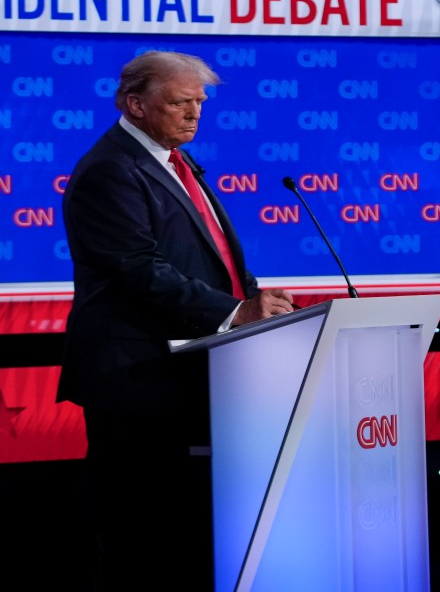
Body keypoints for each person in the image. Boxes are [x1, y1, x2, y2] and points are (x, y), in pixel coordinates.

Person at [56, 51, 297, 590]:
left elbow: (207, 255)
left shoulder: (176, 162)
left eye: (199, 103)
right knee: (141, 535)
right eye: (180, 103)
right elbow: (136, 268)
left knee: (182, 532)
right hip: (136, 380)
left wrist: (256, 295)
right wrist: (235, 312)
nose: (194, 114)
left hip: (185, 376)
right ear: (136, 104)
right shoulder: (111, 170)